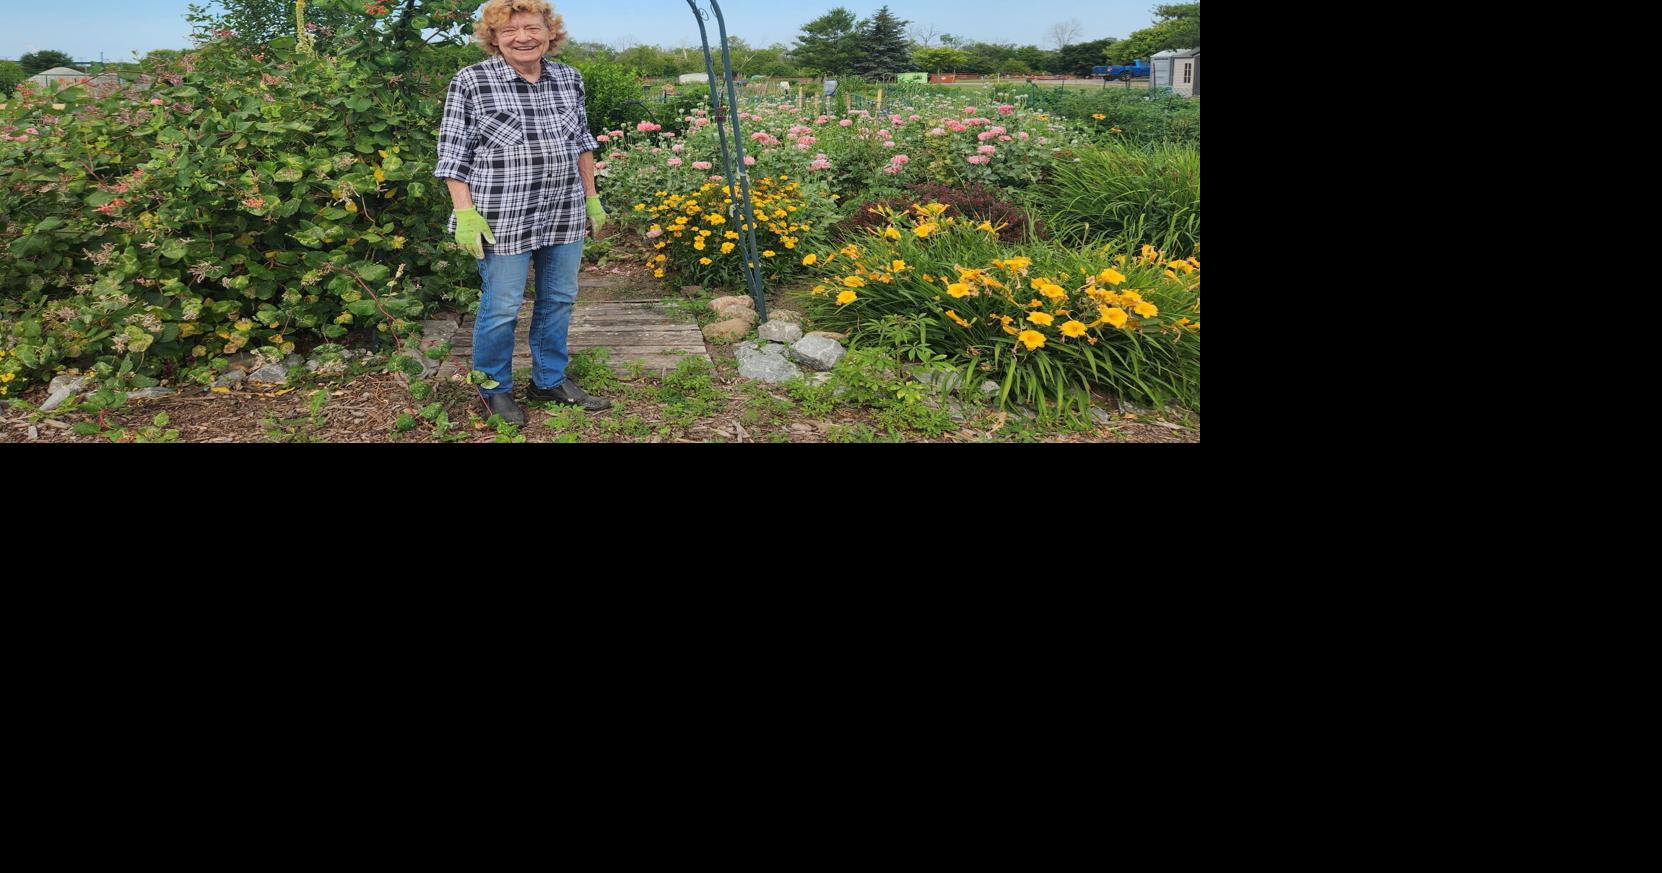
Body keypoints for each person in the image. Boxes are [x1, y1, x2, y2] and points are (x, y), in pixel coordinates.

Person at [435, 0, 611, 425]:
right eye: (510, 31)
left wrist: (591, 197)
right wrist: (465, 213)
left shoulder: (568, 78)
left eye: (532, 27)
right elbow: (453, 154)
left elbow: (582, 142)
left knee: (559, 298)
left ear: (550, 32)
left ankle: (548, 380)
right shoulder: (471, 81)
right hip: (501, 217)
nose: (523, 38)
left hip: (563, 209)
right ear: (494, 39)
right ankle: (494, 389)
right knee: (503, 305)